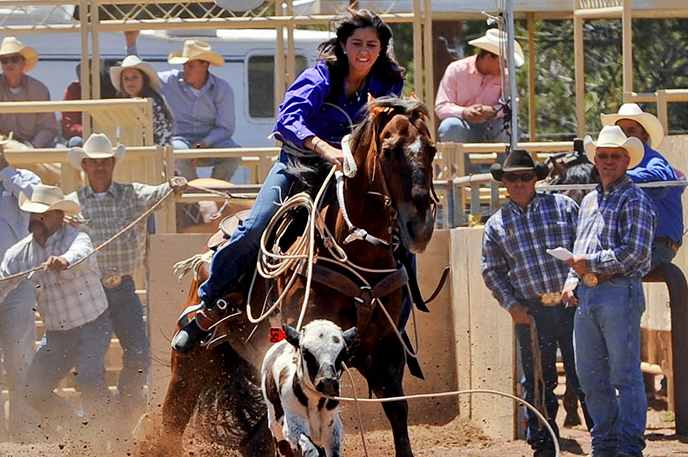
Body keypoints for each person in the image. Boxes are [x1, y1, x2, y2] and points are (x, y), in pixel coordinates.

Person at [171, 8, 405, 355]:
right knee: (255, 227)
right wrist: (324, 148)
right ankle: (209, 306)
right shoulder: (320, 76)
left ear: (381, 48)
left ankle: (396, 321)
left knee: (398, 237)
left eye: (372, 44)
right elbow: (289, 117)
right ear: (343, 45)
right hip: (298, 166)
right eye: (357, 42)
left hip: (349, 173)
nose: (364, 51)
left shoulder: (388, 82)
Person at [65, 132, 187, 424]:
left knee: (139, 355)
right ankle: (107, 415)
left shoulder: (131, 194)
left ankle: (124, 412)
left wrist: (173, 184)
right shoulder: (72, 204)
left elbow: (160, 194)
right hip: (91, 293)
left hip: (123, 288)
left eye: (104, 162)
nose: (99, 167)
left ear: (112, 164)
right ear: (84, 167)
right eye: (93, 163)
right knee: (91, 364)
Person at [481, 149, 591, 457]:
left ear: (536, 179)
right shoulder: (496, 225)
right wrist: (512, 306)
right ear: (503, 182)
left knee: (585, 371)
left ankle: (602, 436)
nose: (519, 183)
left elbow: (582, 247)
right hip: (532, 310)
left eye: (525, 177)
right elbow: (491, 270)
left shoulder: (565, 207)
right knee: (538, 380)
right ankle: (544, 442)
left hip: (573, 303)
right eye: (512, 178)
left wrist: (575, 283)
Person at [562, 125, 656, 457]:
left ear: (627, 160)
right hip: (589, 295)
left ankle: (628, 446)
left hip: (619, 291)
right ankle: (606, 442)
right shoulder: (589, 200)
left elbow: (636, 254)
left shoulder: (635, 198)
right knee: (590, 377)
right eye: (602, 155)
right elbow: (579, 248)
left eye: (615, 156)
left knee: (623, 373)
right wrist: (572, 281)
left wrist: (589, 264)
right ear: (595, 159)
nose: (608, 161)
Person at [0, 184, 112, 436]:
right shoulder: (20, 253)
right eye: (35, 213)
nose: (37, 218)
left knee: (88, 378)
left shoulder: (76, 238)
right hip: (58, 335)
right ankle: (78, 426)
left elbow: (80, 252)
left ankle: (111, 429)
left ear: (60, 216)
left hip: (92, 326)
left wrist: (65, 260)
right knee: (34, 391)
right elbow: (3, 281)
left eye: (45, 213)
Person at [125, 32, 240, 181]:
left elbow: (226, 128)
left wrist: (204, 143)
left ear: (205, 66)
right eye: (185, 65)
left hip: (212, 142)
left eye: (190, 65)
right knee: (177, 151)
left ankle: (216, 192)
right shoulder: (170, 80)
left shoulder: (222, 88)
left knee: (233, 154)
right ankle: (194, 195)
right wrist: (131, 43)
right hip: (181, 139)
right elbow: (141, 72)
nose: (185, 69)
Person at [601, 103, 683, 270]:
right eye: (620, 131)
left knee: (605, 273)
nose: (625, 136)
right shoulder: (620, 163)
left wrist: (618, 176)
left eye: (631, 131)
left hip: (657, 246)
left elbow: (661, 176)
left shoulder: (653, 160)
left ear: (644, 136)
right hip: (632, 244)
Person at [0, 149, 40, 440]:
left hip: (15, 284)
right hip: (16, 284)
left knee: (21, 357)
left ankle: (23, 429)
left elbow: (37, 193)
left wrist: (5, 173)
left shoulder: (17, 182)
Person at [435, 28, 524, 143]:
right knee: (450, 127)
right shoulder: (456, 70)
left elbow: (514, 105)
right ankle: (461, 162)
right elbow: (441, 106)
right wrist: (464, 112)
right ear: (488, 57)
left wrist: (492, 110)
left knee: (510, 128)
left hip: (493, 124)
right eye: (504, 62)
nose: (506, 67)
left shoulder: (505, 75)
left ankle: (504, 162)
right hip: (463, 123)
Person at [0, 37, 59, 148]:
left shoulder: (39, 90)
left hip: (35, 146)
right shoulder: (40, 89)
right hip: (2, 147)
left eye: (14, 59)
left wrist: (32, 147)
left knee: (62, 151)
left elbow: (48, 127)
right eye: (4, 60)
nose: (9, 64)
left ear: (24, 62)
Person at [110, 55, 174, 146]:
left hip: (155, 154)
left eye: (135, 77)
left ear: (144, 79)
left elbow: (139, 135)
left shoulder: (150, 103)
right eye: (126, 78)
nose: (130, 82)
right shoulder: (128, 102)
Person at [61, 59, 118, 148]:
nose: (94, 79)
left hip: (114, 135)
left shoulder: (117, 90)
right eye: (90, 75)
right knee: (76, 142)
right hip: (85, 137)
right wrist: (94, 131)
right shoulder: (74, 89)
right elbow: (70, 126)